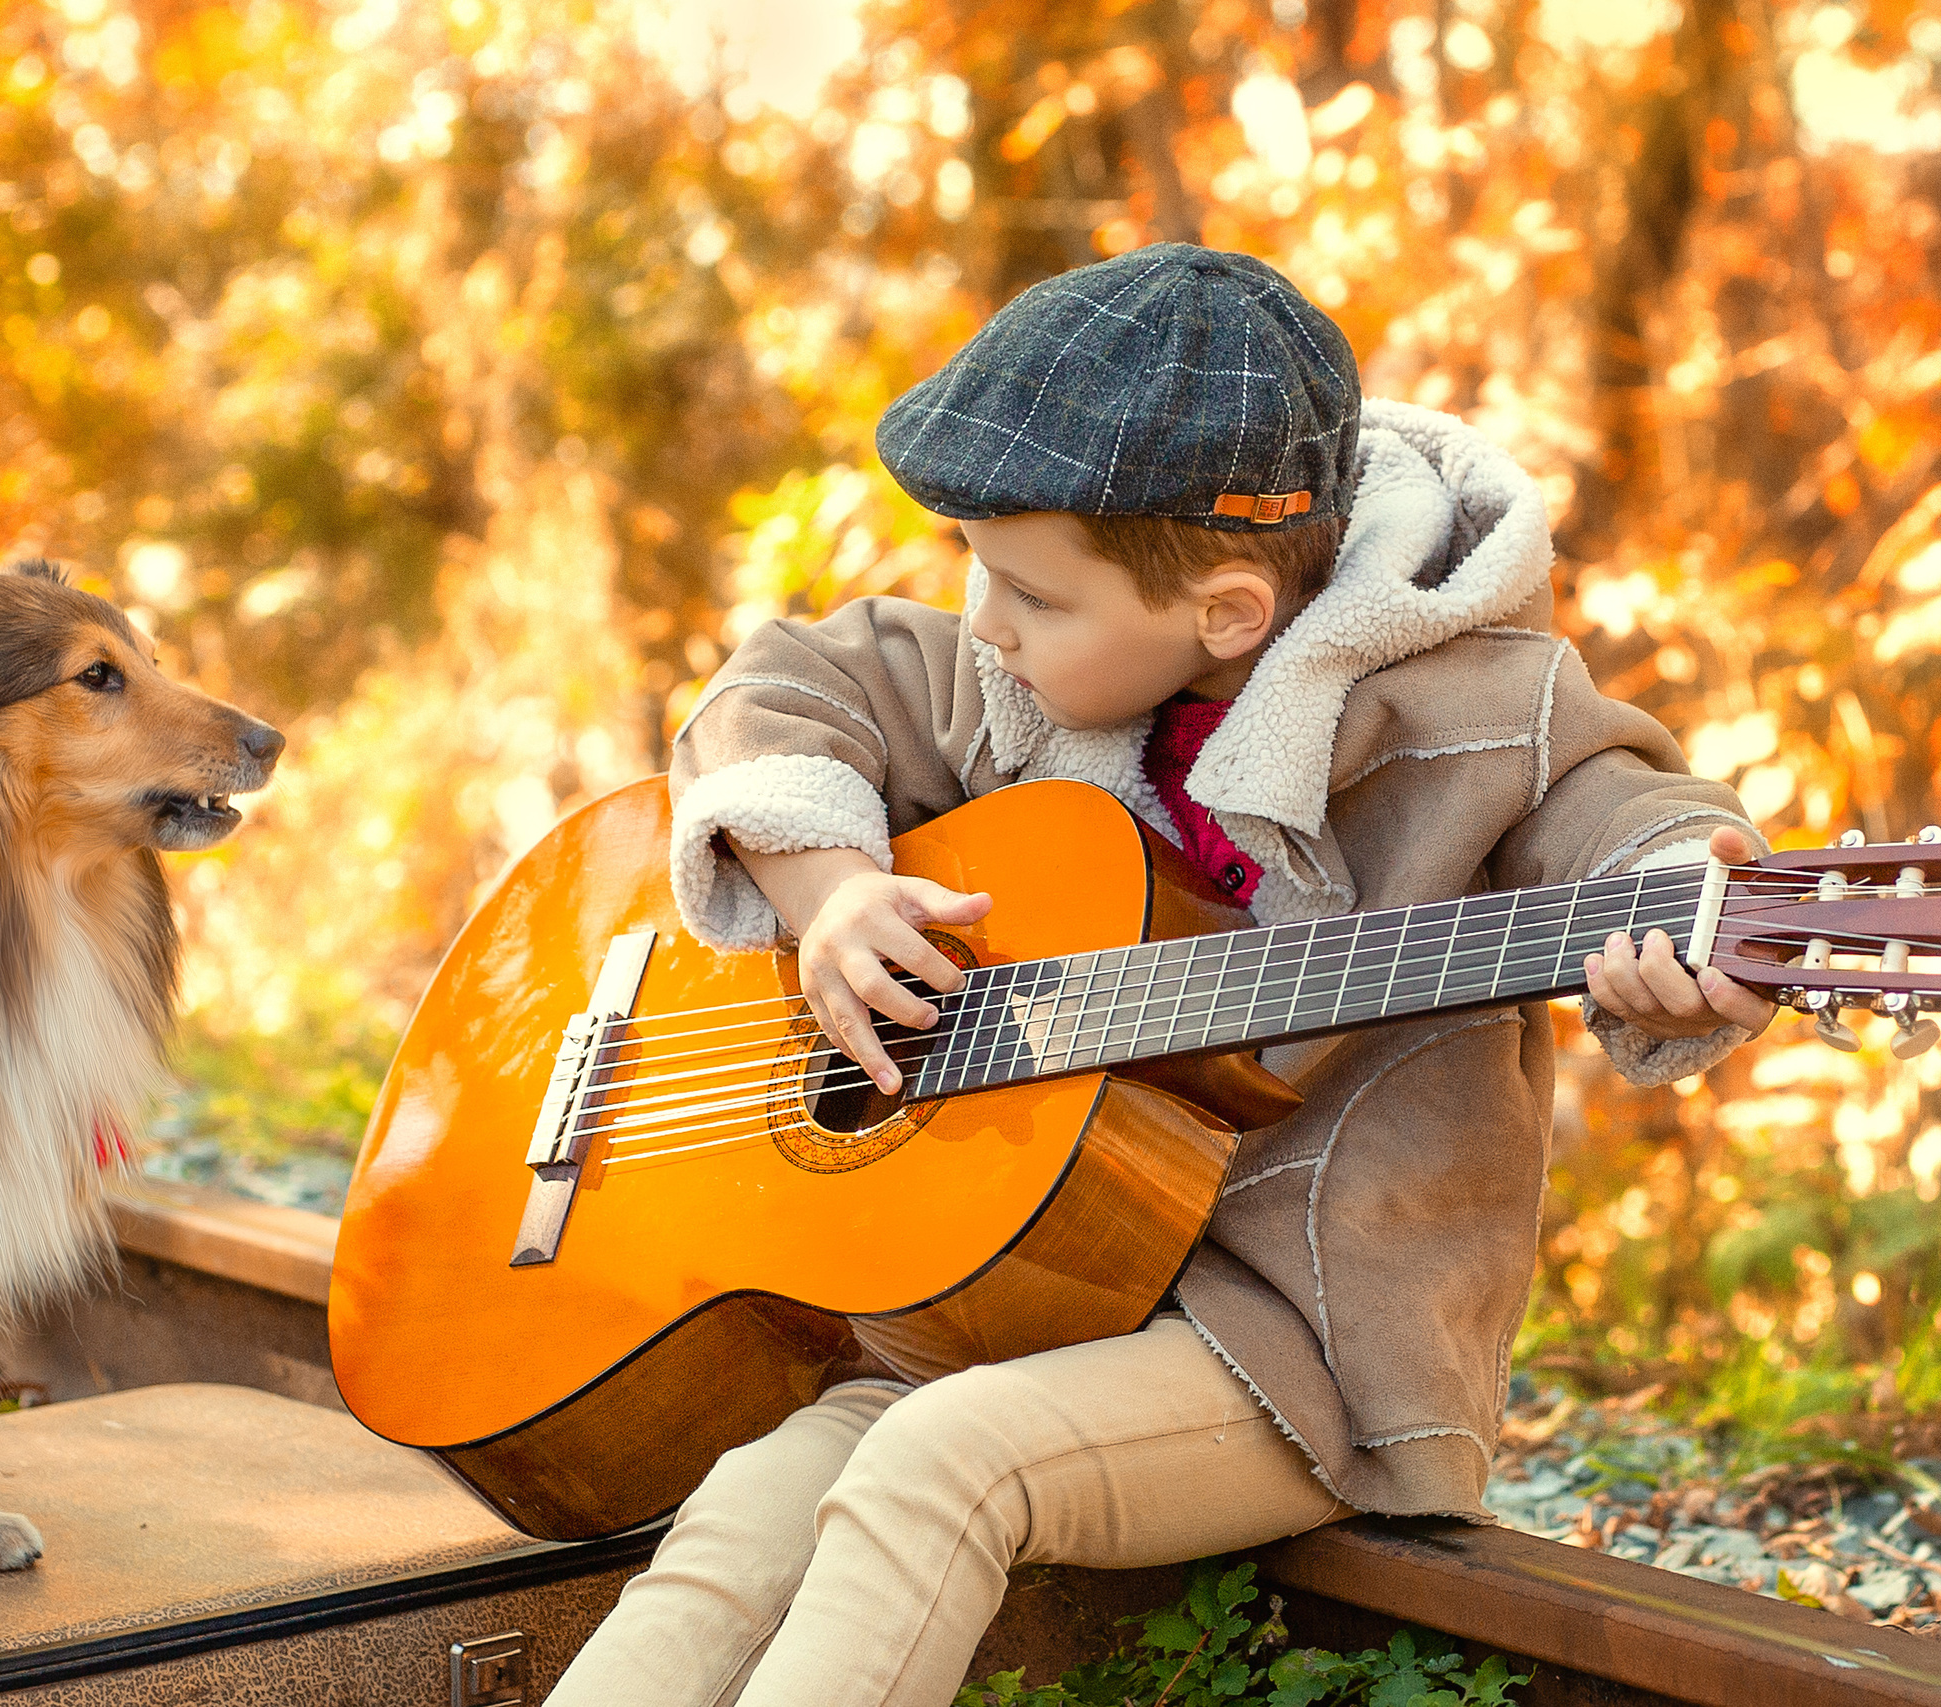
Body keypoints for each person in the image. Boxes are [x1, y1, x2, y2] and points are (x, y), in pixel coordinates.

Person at [542, 245, 1775, 1707]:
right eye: (975, 573)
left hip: (1290, 1342)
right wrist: (831, 891)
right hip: (1013, 1295)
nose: (984, 624)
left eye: (1030, 596)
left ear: (1230, 612)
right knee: (751, 1500)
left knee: (932, 1470)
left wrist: (1684, 903)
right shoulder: (1010, 660)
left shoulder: (1481, 715)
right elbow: (781, 687)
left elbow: (1624, 809)